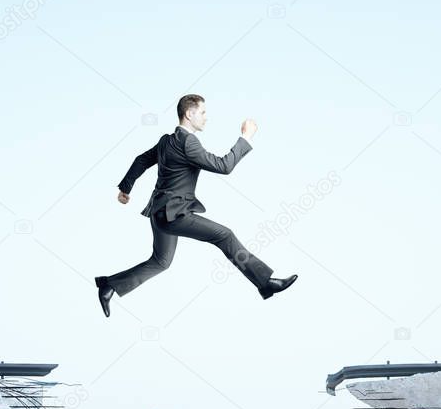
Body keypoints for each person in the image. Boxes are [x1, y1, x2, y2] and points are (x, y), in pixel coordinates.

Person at [94, 94, 297, 317]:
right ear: (189, 114)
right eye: (202, 113)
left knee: (161, 261)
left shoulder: (167, 140)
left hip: (159, 212)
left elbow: (142, 160)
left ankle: (109, 284)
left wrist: (126, 188)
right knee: (224, 235)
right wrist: (245, 137)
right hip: (174, 215)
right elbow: (223, 166)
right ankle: (265, 282)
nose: (206, 118)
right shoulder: (188, 142)